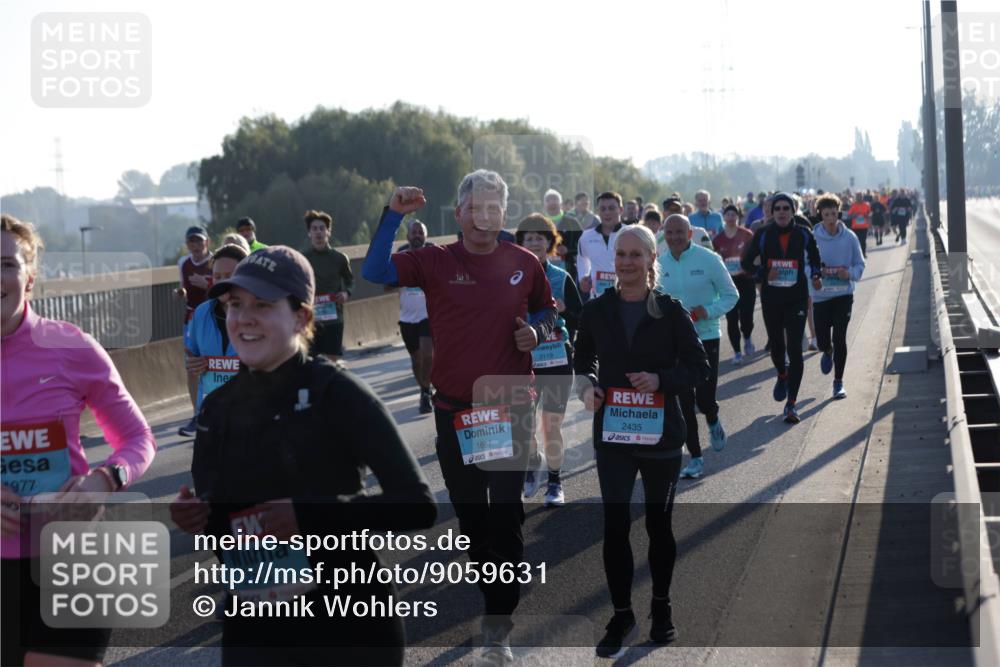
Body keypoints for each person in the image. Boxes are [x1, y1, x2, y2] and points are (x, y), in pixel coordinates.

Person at [170, 245, 435, 666]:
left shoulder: (337, 391)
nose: (244, 317)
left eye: (262, 304)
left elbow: (416, 506)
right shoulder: (217, 408)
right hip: (255, 625)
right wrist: (199, 517)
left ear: (301, 317)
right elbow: (225, 529)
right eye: (236, 304)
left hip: (350, 623)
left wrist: (308, 516)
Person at [361, 170, 558, 663]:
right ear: (460, 212)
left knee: (507, 520)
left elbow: (548, 312)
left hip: (510, 405)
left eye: (494, 206)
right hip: (455, 412)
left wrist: (536, 332)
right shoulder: (434, 260)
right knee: (473, 525)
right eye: (476, 206)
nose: (485, 215)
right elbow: (374, 272)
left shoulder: (525, 262)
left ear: (503, 213)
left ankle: (498, 628)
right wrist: (392, 216)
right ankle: (494, 585)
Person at [2, 214, 157, 667]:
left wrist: (107, 478)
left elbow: (136, 437)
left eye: (6, 264)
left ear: (29, 278)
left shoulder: (72, 347)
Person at [573, 224, 709, 658]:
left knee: (657, 525)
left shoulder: (670, 310)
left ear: (652, 260)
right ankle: (621, 613)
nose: (627, 263)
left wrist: (660, 380)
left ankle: (661, 608)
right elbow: (583, 356)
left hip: (661, 435)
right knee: (614, 526)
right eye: (621, 255)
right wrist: (588, 384)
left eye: (636, 255)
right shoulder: (596, 310)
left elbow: (698, 366)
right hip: (613, 432)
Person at [658, 215, 737, 479]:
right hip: (673, 341)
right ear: (664, 235)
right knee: (683, 401)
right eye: (670, 233)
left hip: (706, 335)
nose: (675, 237)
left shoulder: (708, 259)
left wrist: (709, 311)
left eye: (680, 232)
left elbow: (731, 294)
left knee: (703, 398)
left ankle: (712, 417)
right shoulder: (659, 264)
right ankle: (695, 458)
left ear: (690, 233)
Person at [516, 214, 583, 506]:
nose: (533, 243)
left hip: (556, 359)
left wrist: (565, 313)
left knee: (551, 424)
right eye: (527, 239)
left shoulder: (561, 277)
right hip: (523, 363)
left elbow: (581, 318)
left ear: (549, 243)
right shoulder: (510, 279)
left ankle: (555, 483)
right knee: (524, 424)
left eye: (539, 238)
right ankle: (533, 462)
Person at [741, 192, 823, 424]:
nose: (782, 212)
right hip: (771, 298)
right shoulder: (763, 234)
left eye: (786, 208)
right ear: (772, 211)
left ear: (793, 210)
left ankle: (792, 404)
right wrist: (764, 272)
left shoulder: (804, 233)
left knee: (795, 348)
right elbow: (746, 263)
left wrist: (816, 275)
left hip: (797, 298)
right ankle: (782, 373)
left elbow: (816, 259)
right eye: (777, 208)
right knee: (777, 347)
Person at [811, 194, 866, 399]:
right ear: (820, 216)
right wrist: (815, 275)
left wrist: (848, 274)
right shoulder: (812, 237)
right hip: (821, 297)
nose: (831, 218)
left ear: (839, 213)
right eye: (826, 215)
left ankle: (838, 382)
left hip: (843, 295)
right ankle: (827, 351)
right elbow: (806, 264)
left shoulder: (849, 237)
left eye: (834, 214)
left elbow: (860, 264)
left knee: (840, 336)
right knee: (824, 340)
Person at [184, 243, 250, 413]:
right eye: (217, 276)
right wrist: (197, 414)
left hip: (250, 415)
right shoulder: (201, 313)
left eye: (230, 276)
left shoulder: (262, 314)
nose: (223, 282)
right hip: (212, 414)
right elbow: (191, 369)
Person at [393, 220, 435, 414]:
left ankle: (426, 391)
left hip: (428, 314)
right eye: (414, 232)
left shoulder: (433, 255)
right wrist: (400, 278)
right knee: (417, 359)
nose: (417, 235)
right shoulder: (400, 256)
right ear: (408, 236)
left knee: (428, 355)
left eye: (421, 232)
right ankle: (424, 389)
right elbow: (387, 285)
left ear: (425, 236)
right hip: (407, 317)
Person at [301, 210, 354, 363]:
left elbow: (350, 281)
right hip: (311, 318)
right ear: (309, 233)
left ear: (328, 232)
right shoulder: (303, 258)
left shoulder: (339, 258)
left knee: (332, 361)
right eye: (314, 229)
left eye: (322, 228)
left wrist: (346, 293)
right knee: (311, 360)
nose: (318, 232)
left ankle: (331, 385)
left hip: (334, 317)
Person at [176, 225, 213, 437]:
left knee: (213, 364)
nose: (196, 245)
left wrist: (207, 283)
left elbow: (225, 285)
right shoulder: (183, 263)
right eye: (192, 242)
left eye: (199, 241)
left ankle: (215, 409)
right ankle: (196, 413)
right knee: (191, 367)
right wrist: (180, 292)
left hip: (212, 317)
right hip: (191, 318)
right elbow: (184, 286)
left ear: (207, 242)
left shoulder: (217, 260)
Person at [713, 204, 757, 363]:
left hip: (746, 281)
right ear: (724, 217)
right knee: (731, 318)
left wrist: (749, 266)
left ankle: (747, 338)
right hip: (728, 283)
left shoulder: (747, 235)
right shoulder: (718, 239)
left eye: (734, 215)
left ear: (738, 217)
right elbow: (714, 260)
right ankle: (737, 352)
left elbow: (754, 256)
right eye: (728, 215)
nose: (731, 217)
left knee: (746, 316)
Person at [577, 192, 625, 299]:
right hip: (597, 299)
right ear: (597, 212)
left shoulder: (630, 234)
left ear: (621, 210)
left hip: (626, 298)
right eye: (603, 209)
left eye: (611, 208)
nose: (607, 212)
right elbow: (582, 259)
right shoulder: (586, 236)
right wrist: (583, 278)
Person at [847, 192, 872, 258]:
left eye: (860, 196)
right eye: (858, 196)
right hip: (855, 227)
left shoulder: (866, 205)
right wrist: (854, 215)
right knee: (856, 241)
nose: (859, 198)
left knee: (863, 241)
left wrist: (867, 216)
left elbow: (870, 214)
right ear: (856, 197)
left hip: (864, 226)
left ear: (862, 197)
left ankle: (863, 253)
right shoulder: (853, 205)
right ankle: (857, 254)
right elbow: (849, 216)